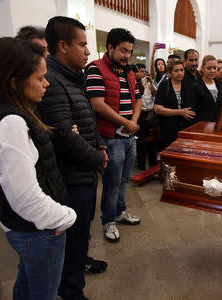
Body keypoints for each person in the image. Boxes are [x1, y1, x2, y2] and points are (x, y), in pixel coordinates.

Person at [0, 37, 76, 300]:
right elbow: (25, 198)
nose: (47, 83)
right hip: (37, 231)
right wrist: (66, 216)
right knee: (43, 293)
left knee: (29, 285)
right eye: (40, 78)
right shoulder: (10, 121)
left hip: (25, 227)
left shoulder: (5, 109)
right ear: (14, 81)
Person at [37, 16, 108, 300]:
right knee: (74, 241)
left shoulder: (72, 77)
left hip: (84, 173)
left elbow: (88, 119)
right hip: (72, 178)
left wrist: (99, 146)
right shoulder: (53, 81)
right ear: (63, 46)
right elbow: (65, 136)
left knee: (81, 238)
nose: (88, 52)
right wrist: (98, 159)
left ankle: (74, 280)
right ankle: (71, 292)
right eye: (83, 45)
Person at [85, 28, 141, 244]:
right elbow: (97, 105)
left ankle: (120, 212)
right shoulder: (95, 69)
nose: (127, 55)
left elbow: (137, 99)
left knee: (124, 180)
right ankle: (108, 221)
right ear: (110, 48)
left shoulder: (128, 71)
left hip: (129, 136)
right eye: (123, 50)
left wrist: (133, 123)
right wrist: (126, 122)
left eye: (130, 51)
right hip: (111, 137)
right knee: (111, 183)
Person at [154, 59, 195, 151]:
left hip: (185, 129)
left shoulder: (188, 85)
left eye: (181, 70)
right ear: (169, 72)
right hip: (168, 130)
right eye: (176, 71)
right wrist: (180, 112)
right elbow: (158, 109)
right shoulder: (164, 85)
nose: (180, 73)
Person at [187, 55, 222, 124]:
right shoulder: (195, 86)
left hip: (218, 124)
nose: (212, 71)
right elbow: (192, 110)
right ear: (202, 68)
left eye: (215, 68)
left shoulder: (220, 85)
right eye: (209, 68)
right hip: (201, 125)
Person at [134, 63, 158, 170]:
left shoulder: (148, 81)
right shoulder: (134, 82)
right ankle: (141, 165)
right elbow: (139, 93)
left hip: (151, 112)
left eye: (144, 71)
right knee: (141, 141)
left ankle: (153, 163)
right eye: (141, 71)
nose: (143, 73)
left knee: (152, 139)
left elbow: (154, 94)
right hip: (141, 113)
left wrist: (151, 82)